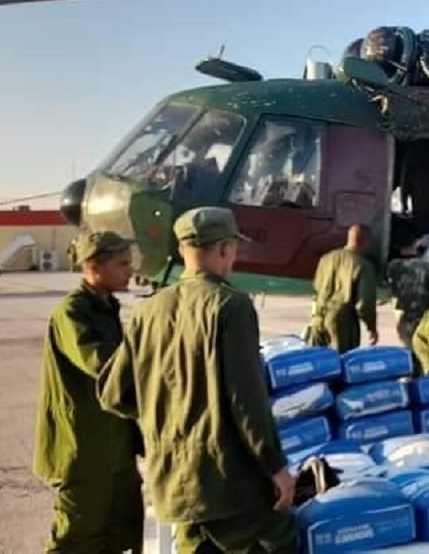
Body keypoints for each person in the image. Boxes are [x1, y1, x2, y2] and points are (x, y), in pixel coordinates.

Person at [97, 207, 299, 554]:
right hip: (229, 487)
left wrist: (167, 419)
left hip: (174, 484)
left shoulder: (148, 310)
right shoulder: (230, 305)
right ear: (224, 249)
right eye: (233, 247)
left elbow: (113, 393)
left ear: (182, 251)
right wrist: (276, 467)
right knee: (280, 539)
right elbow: (246, 402)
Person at [32, 231, 143, 554]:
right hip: (81, 449)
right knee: (78, 537)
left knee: (122, 532)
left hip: (114, 446)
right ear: (94, 267)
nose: (130, 271)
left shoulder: (105, 308)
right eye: (122, 264)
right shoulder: (73, 313)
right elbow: (104, 364)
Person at [309, 224, 378, 353]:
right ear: (366, 241)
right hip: (342, 323)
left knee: (317, 365)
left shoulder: (326, 259)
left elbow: (317, 287)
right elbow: (365, 303)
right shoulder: (363, 265)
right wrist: (371, 328)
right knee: (341, 364)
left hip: (318, 318)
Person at [387, 240, 429, 347]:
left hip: (404, 315)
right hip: (424, 315)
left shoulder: (393, 266)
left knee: (408, 347)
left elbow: (388, 290)